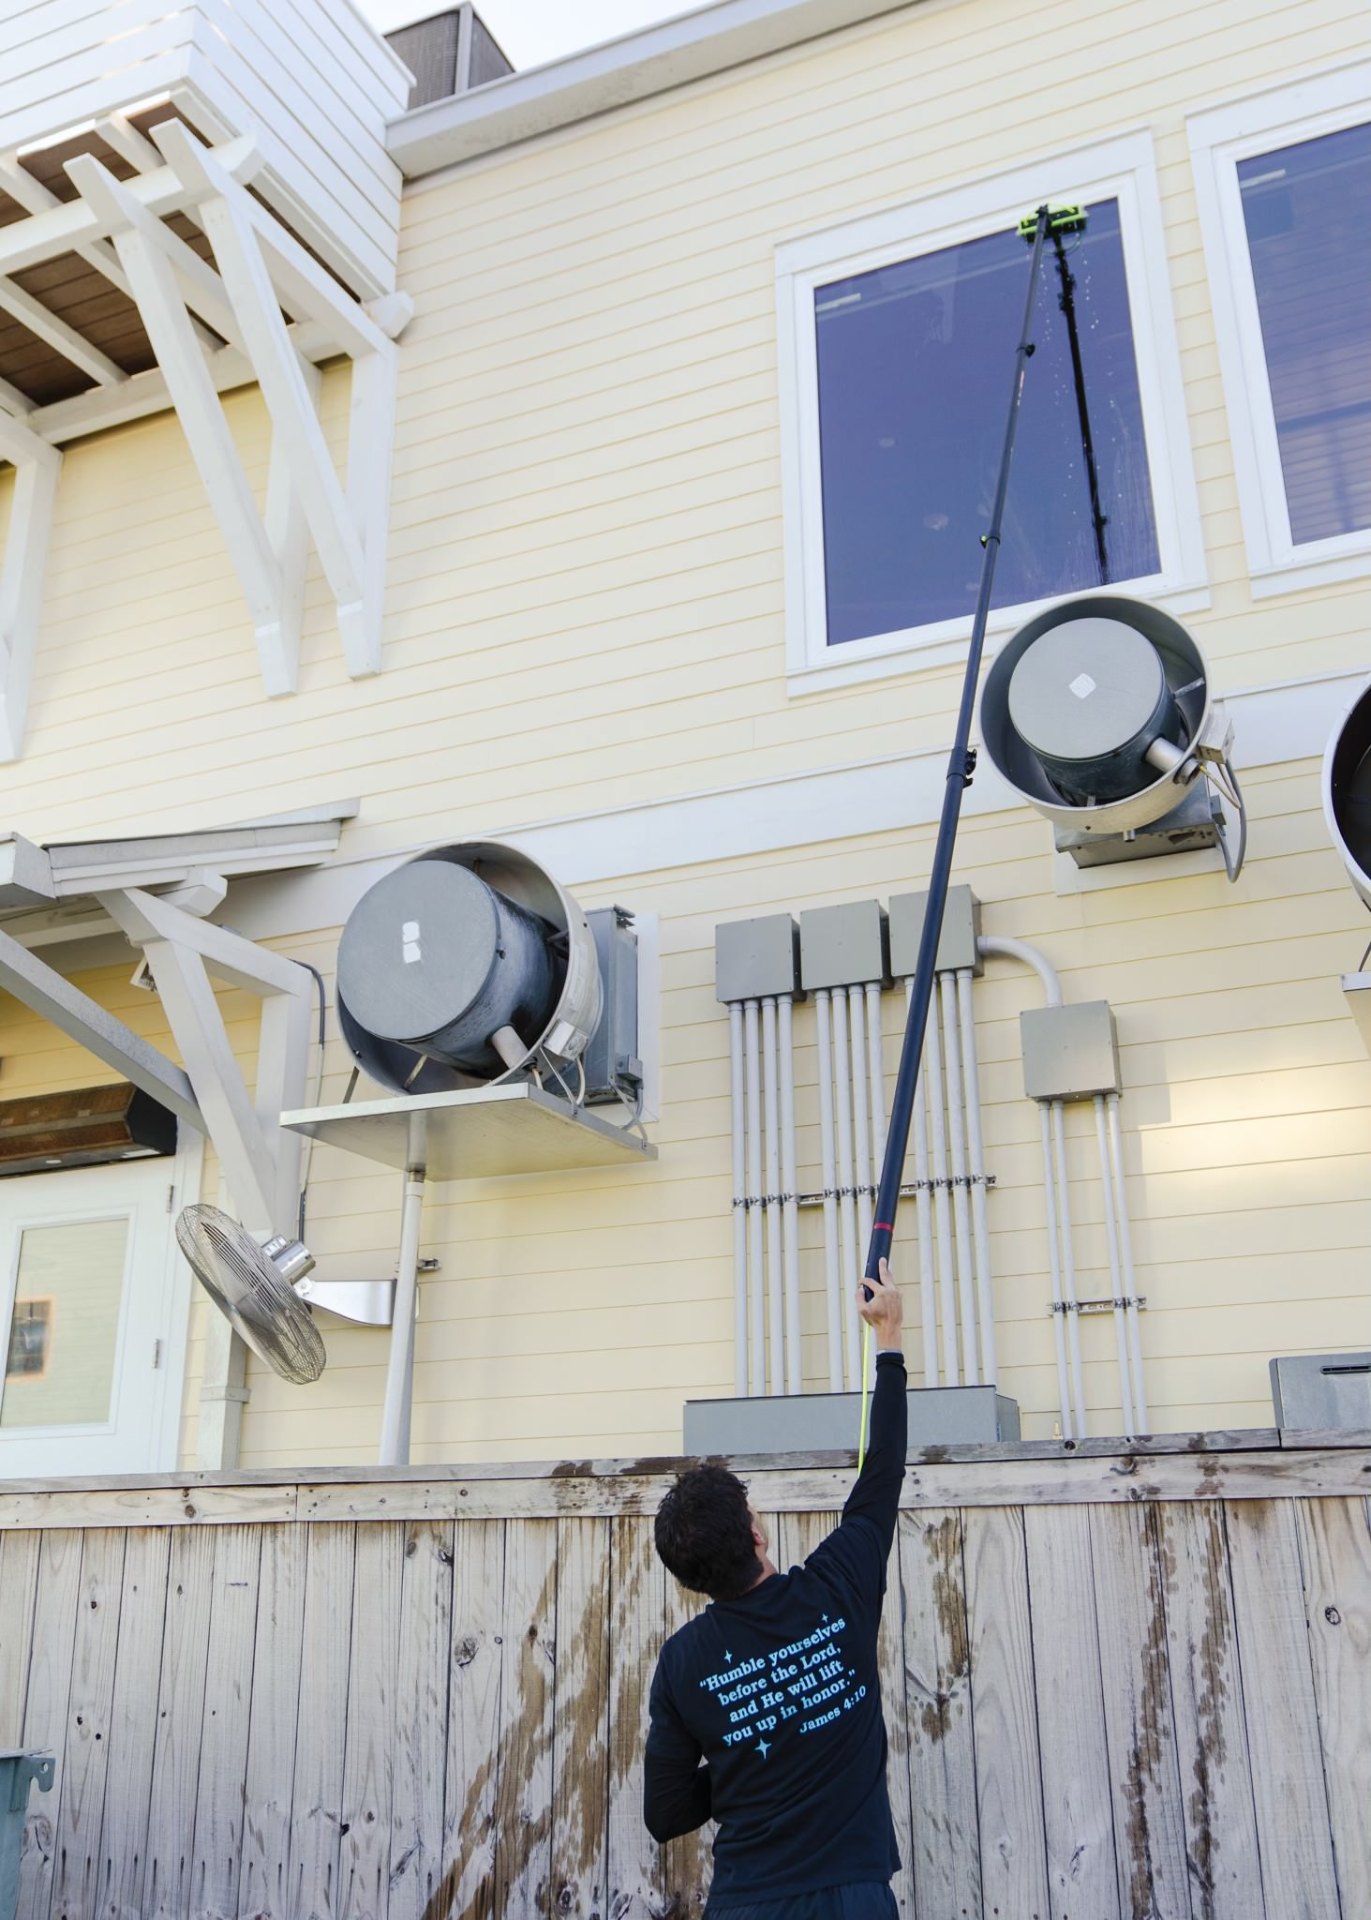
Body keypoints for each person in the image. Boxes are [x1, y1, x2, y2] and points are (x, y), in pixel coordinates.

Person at [645, 1261, 907, 1919]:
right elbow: (882, 1473)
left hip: (747, 1903)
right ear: (755, 1535)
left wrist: (745, 1755)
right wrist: (889, 1334)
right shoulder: (838, 1583)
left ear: (686, 1578)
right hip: (855, 1897)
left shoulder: (682, 1663)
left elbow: (667, 1812)